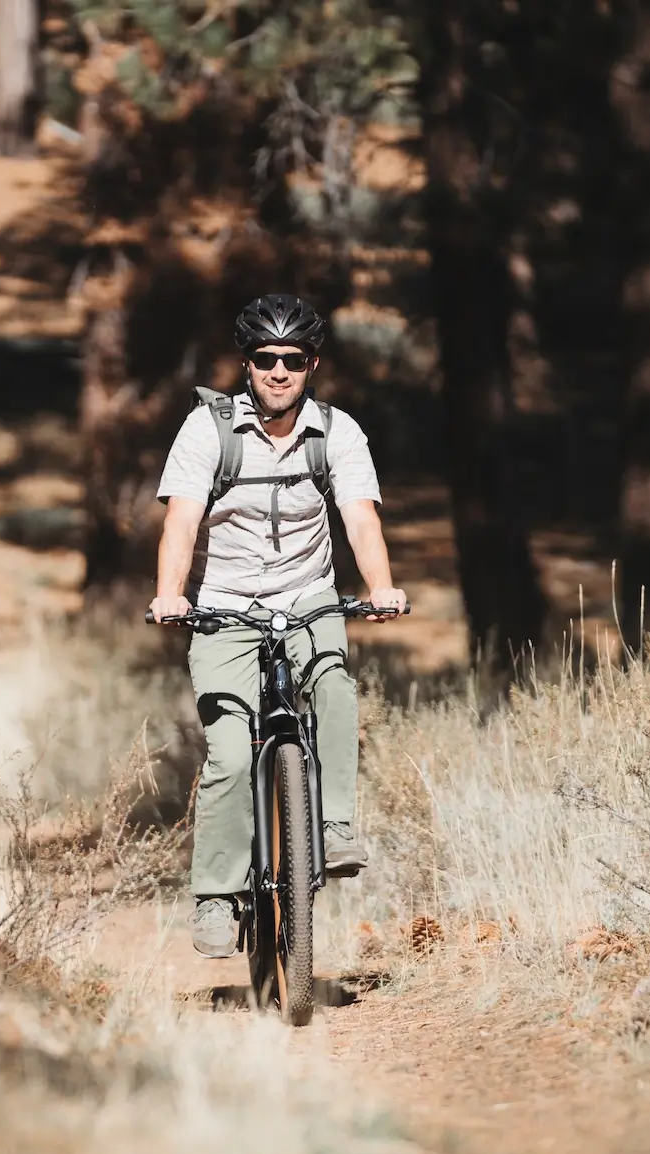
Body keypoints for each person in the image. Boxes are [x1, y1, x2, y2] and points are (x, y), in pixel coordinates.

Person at [149, 294, 408, 959]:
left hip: (307, 598)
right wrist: (171, 596)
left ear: (312, 364)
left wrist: (380, 588)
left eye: (293, 359)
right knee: (232, 754)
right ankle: (215, 896)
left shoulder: (337, 432)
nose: (279, 371)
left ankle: (336, 826)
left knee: (334, 686)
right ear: (247, 364)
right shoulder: (207, 431)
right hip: (225, 605)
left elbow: (360, 518)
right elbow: (181, 520)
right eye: (265, 358)